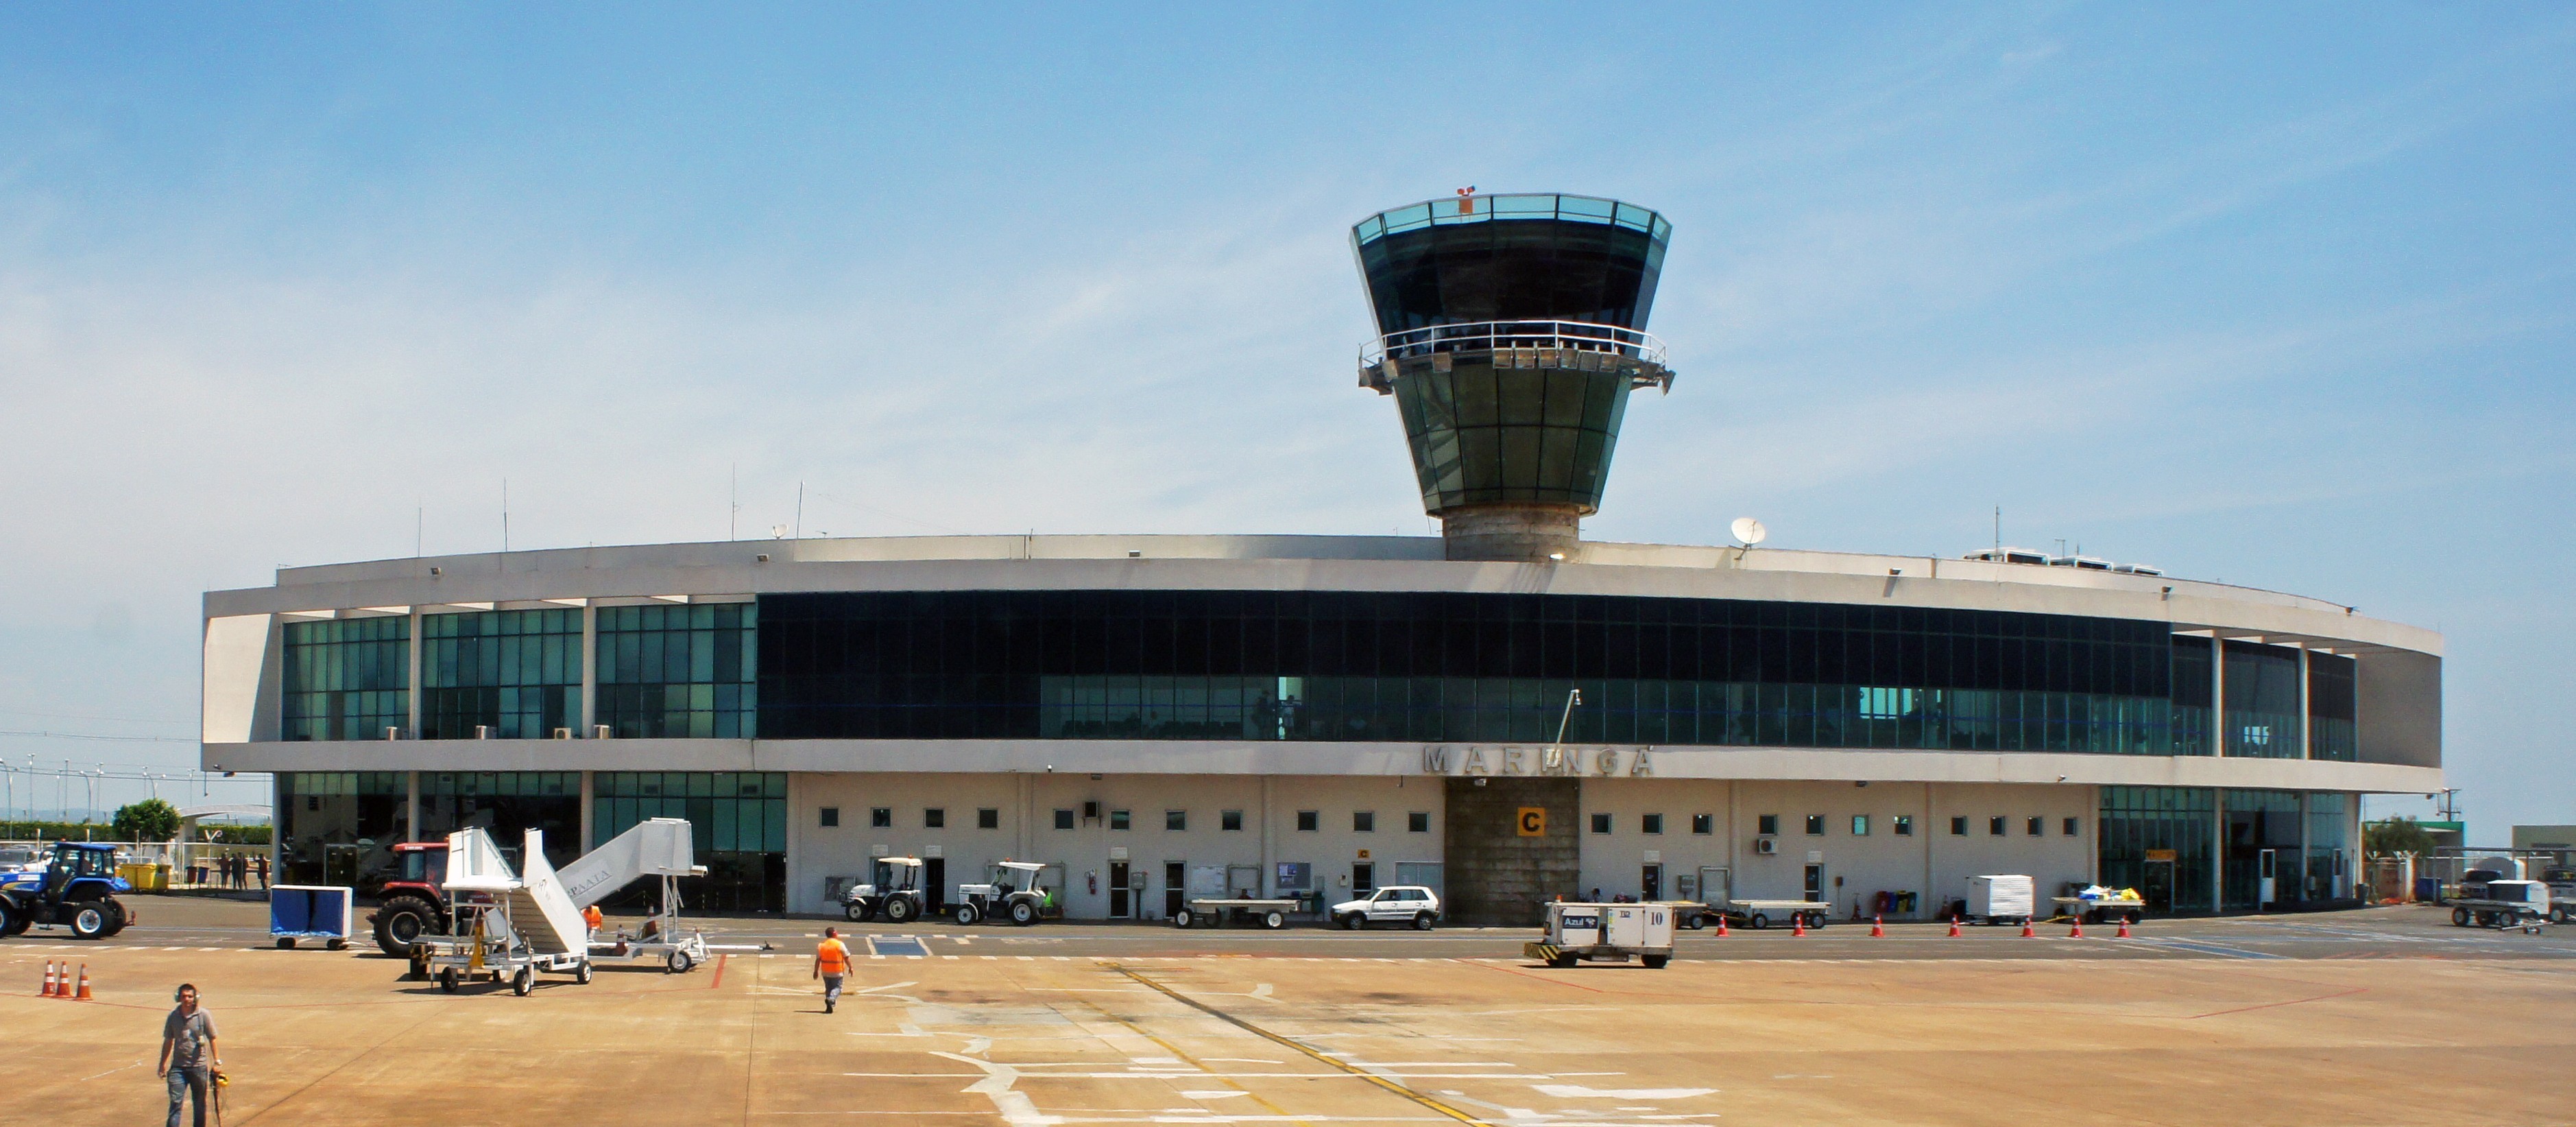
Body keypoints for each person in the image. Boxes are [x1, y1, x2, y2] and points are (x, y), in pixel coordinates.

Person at [158, 982, 220, 1127]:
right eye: (184, 996)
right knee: (175, 1103)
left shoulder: (203, 1015)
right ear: (178, 998)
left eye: (190, 996)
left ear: (195, 998)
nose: (187, 999)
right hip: (178, 1068)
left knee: (199, 1104)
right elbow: (168, 1041)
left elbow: (212, 1038)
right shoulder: (173, 1016)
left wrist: (217, 1061)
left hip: (198, 1067)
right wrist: (162, 1064)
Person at [813, 927, 853, 1014]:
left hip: (825, 971)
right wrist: (851, 967)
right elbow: (846, 957)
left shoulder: (821, 945)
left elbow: (818, 960)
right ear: (835, 934)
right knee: (838, 988)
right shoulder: (840, 944)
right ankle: (831, 999)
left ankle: (829, 1007)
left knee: (828, 988)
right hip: (837, 971)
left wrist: (816, 971)